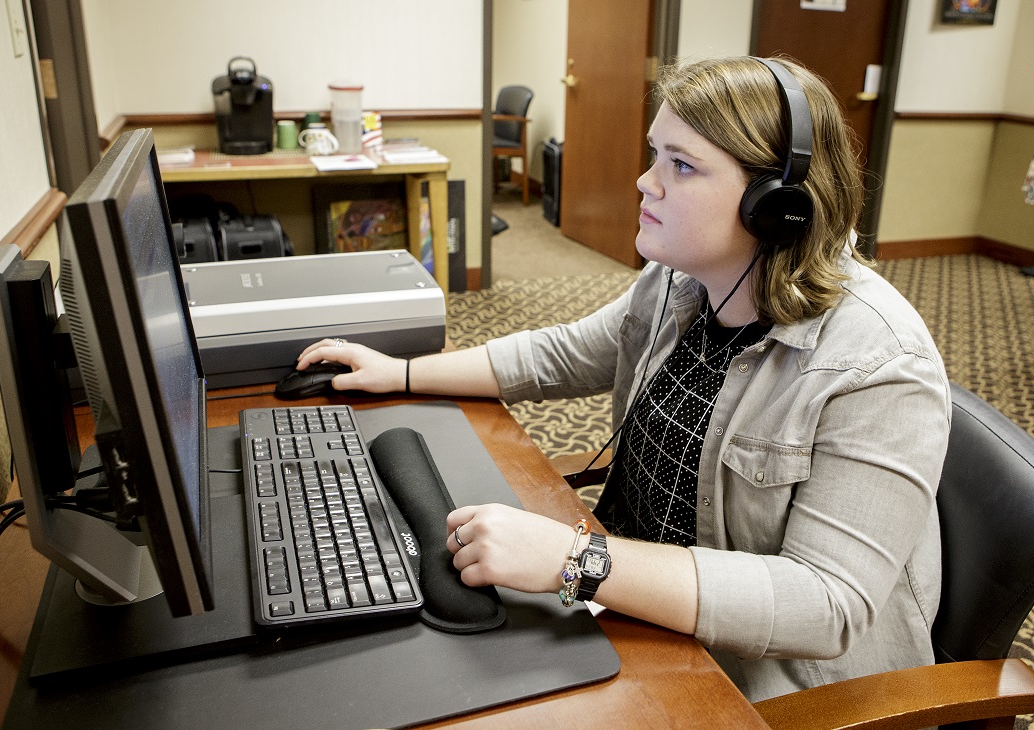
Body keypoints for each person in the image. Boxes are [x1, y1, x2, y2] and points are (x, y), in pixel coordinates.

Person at [296, 56, 951, 702]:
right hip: (631, 599)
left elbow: (825, 605)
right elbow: (565, 353)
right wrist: (400, 372)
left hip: (762, 682)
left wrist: (574, 563)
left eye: (682, 165)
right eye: (654, 154)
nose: (645, 181)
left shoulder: (880, 365)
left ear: (775, 206)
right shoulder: (689, 279)